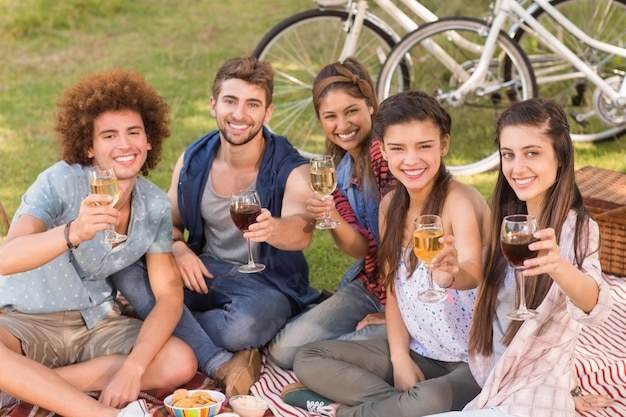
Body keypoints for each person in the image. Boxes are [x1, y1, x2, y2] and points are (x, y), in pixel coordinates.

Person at [111, 56, 320, 397]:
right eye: (230, 101)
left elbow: (302, 231)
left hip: (266, 284)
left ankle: (156, 326)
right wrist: (178, 249)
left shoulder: (290, 166)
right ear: (213, 105)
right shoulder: (194, 159)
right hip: (204, 271)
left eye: (252, 104)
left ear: (267, 113)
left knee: (243, 328)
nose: (239, 115)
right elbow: (166, 225)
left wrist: (273, 228)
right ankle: (217, 356)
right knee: (125, 263)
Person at [0, 68, 197, 417]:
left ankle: (29, 385)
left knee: (180, 360)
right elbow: (6, 257)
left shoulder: (153, 204)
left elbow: (169, 295)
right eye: (109, 136)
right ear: (89, 146)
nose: (124, 145)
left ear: (149, 140)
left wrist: (134, 368)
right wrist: (71, 233)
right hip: (27, 321)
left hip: (97, 323)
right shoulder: (58, 182)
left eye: (133, 132)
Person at [284, 90, 490, 417]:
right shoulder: (390, 206)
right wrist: (399, 358)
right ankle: (395, 407)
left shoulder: (460, 201)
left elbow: (473, 272)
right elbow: (394, 291)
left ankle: (340, 411)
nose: (411, 160)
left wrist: (451, 274)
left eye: (425, 146)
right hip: (420, 349)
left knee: (430, 400)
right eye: (398, 148)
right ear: (382, 149)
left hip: (470, 360)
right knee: (307, 358)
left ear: (444, 145)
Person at [423, 98, 613, 417]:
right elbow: (482, 280)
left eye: (532, 153)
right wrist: (451, 274)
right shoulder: (510, 220)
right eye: (508, 155)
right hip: (493, 374)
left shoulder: (577, 229)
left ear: (561, 158)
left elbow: (596, 308)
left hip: (534, 395)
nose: (517, 167)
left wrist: (558, 267)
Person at [268, 57, 395, 371]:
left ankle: (385, 340)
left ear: (370, 106)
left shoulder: (388, 154)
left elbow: (400, 243)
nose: (343, 125)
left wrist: (394, 314)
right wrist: (333, 216)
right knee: (285, 352)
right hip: (371, 285)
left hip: (408, 293)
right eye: (330, 116)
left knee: (312, 360)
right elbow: (362, 249)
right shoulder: (338, 172)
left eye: (351, 111)